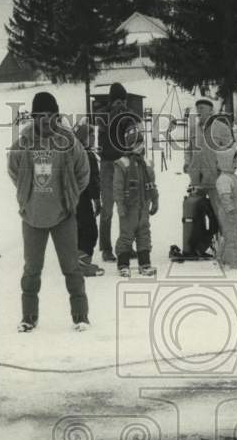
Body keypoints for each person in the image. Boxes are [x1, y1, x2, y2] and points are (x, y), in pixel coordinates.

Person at [7, 91, 91, 332]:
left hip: (63, 215)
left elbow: (83, 172)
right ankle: (28, 317)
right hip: (32, 217)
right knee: (31, 270)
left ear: (56, 116)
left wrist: (71, 196)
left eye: (49, 115)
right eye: (39, 115)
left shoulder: (68, 142)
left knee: (72, 268)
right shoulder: (23, 143)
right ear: (33, 117)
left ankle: (80, 316)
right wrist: (27, 195)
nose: (44, 119)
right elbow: (13, 170)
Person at [97, 82, 139, 263]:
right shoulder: (103, 116)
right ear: (111, 101)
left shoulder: (128, 116)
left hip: (125, 163)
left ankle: (126, 245)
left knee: (128, 207)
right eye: (117, 101)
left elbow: (134, 133)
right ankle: (106, 248)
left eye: (123, 101)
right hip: (107, 164)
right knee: (107, 208)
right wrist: (117, 114)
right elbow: (104, 133)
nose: (120, 104)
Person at [113, 123, 159, 277]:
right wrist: (120, 204)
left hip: (143, 205)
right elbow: (118, 187)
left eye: (140, 143)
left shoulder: (146, 163)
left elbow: (152, 183)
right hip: (129, 206)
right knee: (126, 235)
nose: (139, 146)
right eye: (135, 143)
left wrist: (155, 200)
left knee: (144, 233)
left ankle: (144, 263)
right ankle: (123, 264)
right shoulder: (122, 164)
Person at [185, 95, 234, 214]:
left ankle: (222, 232)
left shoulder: (222, 128)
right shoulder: (193, 129)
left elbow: (231, 152)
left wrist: (224, 170)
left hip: (215, 181)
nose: (198, 111)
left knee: (220, 215)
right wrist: (187, 163)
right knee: (193, 215)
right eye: (197, 108)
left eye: (202, 108)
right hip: (196, 181)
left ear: (210, 111)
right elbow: (189, 149)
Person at [73, 123, 103, 277]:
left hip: (72, 198)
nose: (93, 138)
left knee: (79, 230)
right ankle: (83, 264)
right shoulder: (87, 155)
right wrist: (97, 200)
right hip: (83, 198)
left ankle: (79, 261)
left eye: (94, 135)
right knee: (90, 231)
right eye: (90, 135)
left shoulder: (72, 153)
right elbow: (93, 180)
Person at [214, 146, 237, 270]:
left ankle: (221, 258)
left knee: (229, 235)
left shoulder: (232, 176)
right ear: (225, 162)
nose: (236, 164)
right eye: (234, 161)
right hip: (229, 212)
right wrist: (230, 211)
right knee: (232, 236)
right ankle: (228, 262)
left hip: (235, 210)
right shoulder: (224, 179)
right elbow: (225, 197)